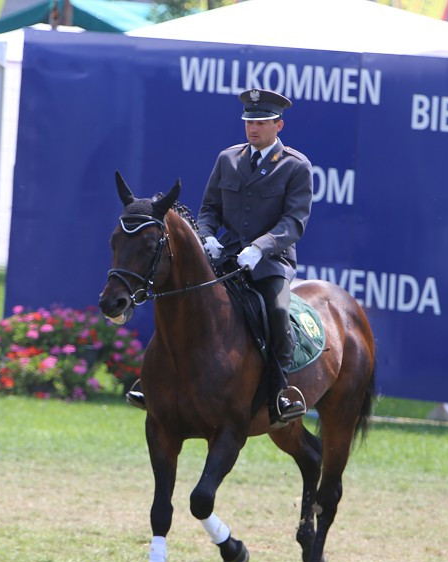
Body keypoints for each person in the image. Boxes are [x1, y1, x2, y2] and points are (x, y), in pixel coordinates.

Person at [127, 88, 313, 427]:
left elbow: (293, 222)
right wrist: (207, 237)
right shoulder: (228, 159)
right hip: (224, 256)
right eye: (248, 121)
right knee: (182, 301)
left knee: (278, 311)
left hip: (270, 262)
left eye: (260, 122)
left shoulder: (295, 166)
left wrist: (260, 248)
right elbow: (210, 207)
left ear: (279, 125)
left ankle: (280, 390)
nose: (252, 128)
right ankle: (154, 380)